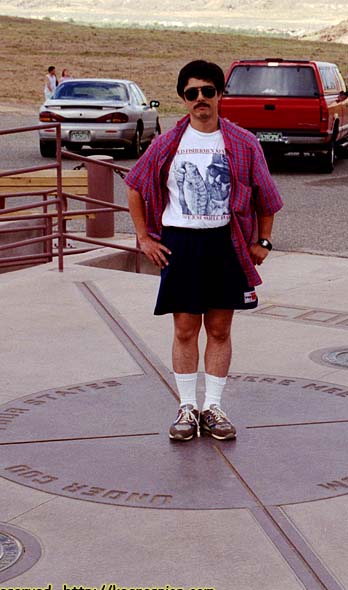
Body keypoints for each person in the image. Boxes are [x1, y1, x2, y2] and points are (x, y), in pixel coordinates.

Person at [125, 59, 283, 442]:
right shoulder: (167, 144)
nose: (200, 99)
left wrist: (262, 241)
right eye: (192, 93)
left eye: (208, 91)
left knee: (219, 327)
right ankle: (186, 406)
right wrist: (144, 238)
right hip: (181, 243)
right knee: (184, 328)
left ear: (219, 95)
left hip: (224, 243)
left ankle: (212, 406)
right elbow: (135, 185)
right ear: (183, 99)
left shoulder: (243, 142)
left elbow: (267, 196)